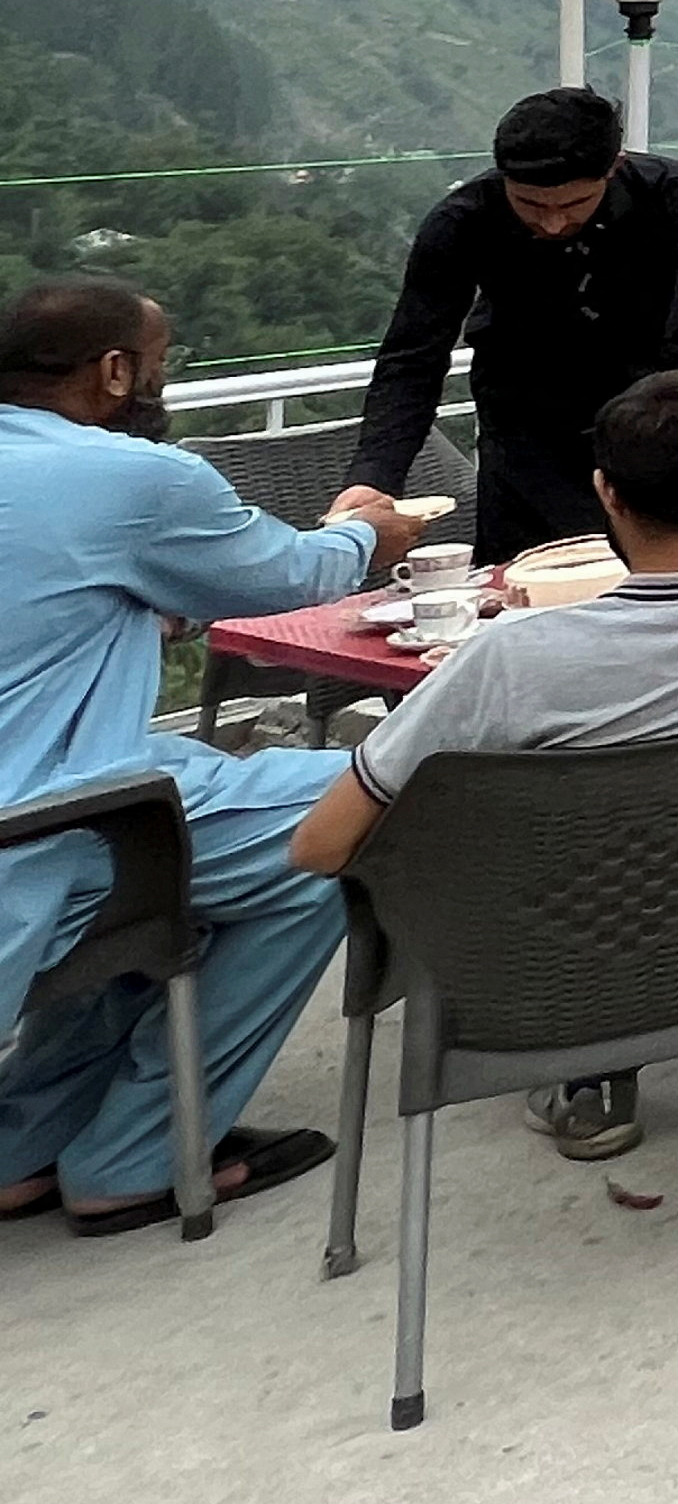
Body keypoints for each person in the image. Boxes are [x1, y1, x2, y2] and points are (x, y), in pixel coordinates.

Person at [286, 369, 678, 1158]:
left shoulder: (509, 658)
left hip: (545, 968)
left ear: (607, 493)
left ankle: (590, 1077)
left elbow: (320, 845)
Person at [1, 279, 426, 1236]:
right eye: (160, 364)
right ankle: (140, 1154)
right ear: (116, 371)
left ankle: (19, 1143)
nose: (160, 381)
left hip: (48, 799)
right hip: (49, 822)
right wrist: (368, 532)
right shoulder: (130, 476)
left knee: (197, 844)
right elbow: (290, 575)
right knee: (354, 817)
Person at [347, 87, 678, 564]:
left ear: (614, 166)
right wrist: (375, 477)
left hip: (661, 424)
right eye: (530, 204)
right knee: (521, 582)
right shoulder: (462, 222)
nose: (553, 223)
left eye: (575, 203)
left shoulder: (673, 191)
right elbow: (413, 360)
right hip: (527, 432)